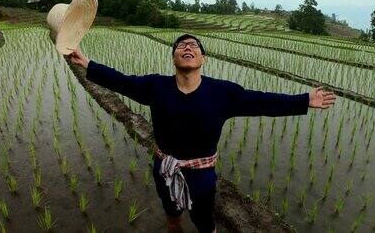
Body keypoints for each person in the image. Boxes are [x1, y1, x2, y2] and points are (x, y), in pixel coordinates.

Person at [68, 34, 336, 233]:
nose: (187, 47)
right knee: (172, 215)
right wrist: (87, 62)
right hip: (165, 168)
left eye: (194, 45)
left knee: (205, 223)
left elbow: (263, 102)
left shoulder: (223, 93)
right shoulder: (155, 86)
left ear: (203, 59)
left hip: (202, 177)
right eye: (181, 46)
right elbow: (121, 81)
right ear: (173, 57)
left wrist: (304, 100)